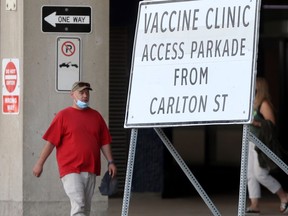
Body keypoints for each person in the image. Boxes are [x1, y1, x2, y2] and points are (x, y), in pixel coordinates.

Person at [33, 81, 117, 216]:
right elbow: (51, 142)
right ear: (72, 95)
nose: (85, 96)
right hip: (70, 169)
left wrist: (111, 162)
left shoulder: (96, 116)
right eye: (81, 93)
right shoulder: (63, 116)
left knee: (86, 208)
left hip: (91, 168)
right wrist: (39, 163)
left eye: (87, 93)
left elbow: (104, 142)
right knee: (79, 204)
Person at [246, 77, 288, 214]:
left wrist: (256, 123)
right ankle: (254, 204)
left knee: (260, 174)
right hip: (250, 142)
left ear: (260, 87)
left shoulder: (263, 104)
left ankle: (284, 196)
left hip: (261, 144)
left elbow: (271, 124)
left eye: (255, 84)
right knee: (250, 174)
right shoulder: (251, 102)